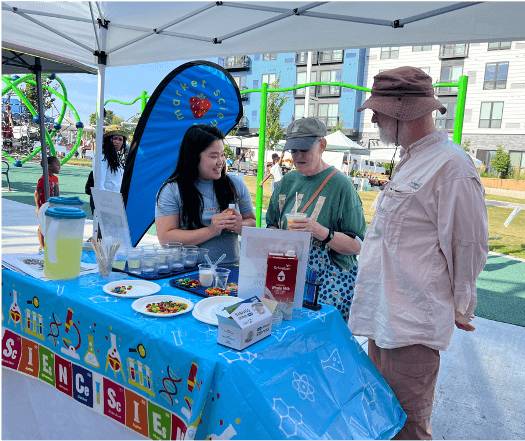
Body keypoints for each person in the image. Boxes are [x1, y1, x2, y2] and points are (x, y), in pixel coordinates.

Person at [348, 67, 488, 440]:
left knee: (407, 427)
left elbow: (468, 246)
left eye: (378, 110)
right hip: (385, 317)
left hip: (411, 327)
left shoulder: (452, 166)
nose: (374, 117)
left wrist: (461, 305)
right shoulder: (414, 158)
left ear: (403, 110)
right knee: (381, 418)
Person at [266, 117, 366, 321]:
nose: (298, 156)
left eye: (304, 149)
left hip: (327, 286)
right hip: (286, 276)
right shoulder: (287, 182)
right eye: (294, 150)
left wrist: (320, 231)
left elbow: (357, 246)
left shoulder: (341, 186)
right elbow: (272, 223)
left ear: (322, 145)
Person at [155, 125, 256, 265]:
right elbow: (166, 238)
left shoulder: (235, 184)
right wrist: (211, 230)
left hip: (229, 270)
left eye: (222, 154)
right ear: (193, 157)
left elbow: (252, 223)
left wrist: (240, 225)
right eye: (214, 156)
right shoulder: (172, 190)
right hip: (186, 272)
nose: (220, 161)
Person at [34, 156, 61, 250]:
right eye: (57, 165)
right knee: (43, 225)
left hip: (53, 206)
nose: (59, 166)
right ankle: (42, 247)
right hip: (44, 206)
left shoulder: (55, 178)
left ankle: (49, 245)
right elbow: (37, 193)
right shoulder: (43, 179)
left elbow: (57, 193)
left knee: (51, 225)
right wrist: (38, 207)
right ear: (49, 166)